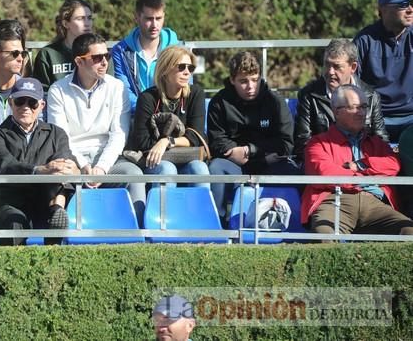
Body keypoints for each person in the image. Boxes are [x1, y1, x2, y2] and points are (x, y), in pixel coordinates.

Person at [47, 33, 147, 222]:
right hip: (73, 161)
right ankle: (57, 230)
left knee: (134, 175)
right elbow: (61, 136)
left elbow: (119, 134)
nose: (104, 62)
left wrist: (101, 167)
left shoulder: (117, 87)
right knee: (58, 175)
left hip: (108, 160)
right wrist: (83, 166)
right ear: (79, 61)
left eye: (106, 56)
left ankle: (139, 233)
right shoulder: (57, 90)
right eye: (97, 58)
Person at [303, 84, 413, 236]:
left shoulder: (376, 142)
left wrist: (360, 165)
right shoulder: (317, 143)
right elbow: (325, 173)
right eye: (354, 107)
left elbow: (393, 165)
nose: (361, 113)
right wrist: (367, 179)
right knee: (324, 234)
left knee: (409, 231)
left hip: (375, 204)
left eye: (363, 107)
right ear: (336, 111)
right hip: (334, 201)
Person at [207, 51, 298, 220]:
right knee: (215, 168)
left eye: (255, 79)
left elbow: (286, 143)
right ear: (232, 80)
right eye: (243, 81)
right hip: (234, 163)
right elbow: (216, 140)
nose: (250, 86)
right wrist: (233, 152)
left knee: (296, 172)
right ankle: (218, 223)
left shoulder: (275, 102)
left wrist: (251, 150)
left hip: (269, 161)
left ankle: (296, 222)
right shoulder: (219, 103)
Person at [0, 77, 79, 245]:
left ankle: (56, 209)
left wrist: (70, 168)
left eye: (32, 103)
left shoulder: (56, 133)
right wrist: (40, 169)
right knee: (13, 223)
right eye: (20, 101)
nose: (25, 107)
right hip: (12, 199)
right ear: (11, 103)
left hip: (45, 197)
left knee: (61, 166)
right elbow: (5, 164)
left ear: (42, 106)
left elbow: (64, 163)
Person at [127, 46, 210, 189]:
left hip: (186, 158)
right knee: (167, 169)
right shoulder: (148, 98)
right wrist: (180, 141)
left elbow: (196, 136)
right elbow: (143, 142)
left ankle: (202, 211)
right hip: (156, 162)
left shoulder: (195, 93)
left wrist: (167, 141)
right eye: (181, 67)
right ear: (165, 69)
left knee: (200, 168)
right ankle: (164, 212)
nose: (187, 72)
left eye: (190, 68)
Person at [294, 38, 387, 161]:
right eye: (327, 64)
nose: (330, 72)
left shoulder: (371, 96)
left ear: (353, 67)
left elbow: (381, 142)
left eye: (337, 66)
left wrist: (361, 165)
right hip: (326, 163)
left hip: (363, 165)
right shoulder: (309, 96)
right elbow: (302, 144)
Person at [353, 0, 413, 142]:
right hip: (376, 118)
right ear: (384, 9)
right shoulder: (364, 40)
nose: (410, 9)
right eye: (403, 5)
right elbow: (350, 84)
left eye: (411, 3)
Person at [112, 0, 183, 113]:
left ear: (164, 17)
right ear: (137, 17)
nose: (155, 25)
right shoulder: (121, 51)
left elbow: (184, 87)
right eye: (149, 19)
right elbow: (124, 91)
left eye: (159, 18)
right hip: (137, 117)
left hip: (171, 115)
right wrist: (147, 112)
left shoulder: (178, 49)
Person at [33, 0, 97, 92]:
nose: (87, 23)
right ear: (66, 23)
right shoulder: (48, 55)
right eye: (80, 19)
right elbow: (42, 92)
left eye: (89, 18)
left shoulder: (100, 53)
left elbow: (108, 87)